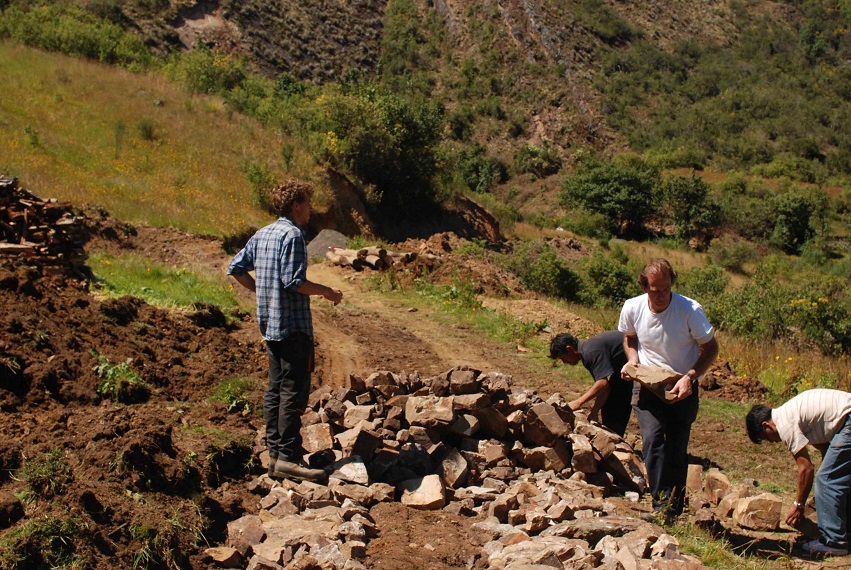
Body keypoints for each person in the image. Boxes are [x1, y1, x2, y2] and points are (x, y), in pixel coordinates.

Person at [228, 180, 343, 482]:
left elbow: (236, 268)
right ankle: (289, 459)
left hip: (270, 325)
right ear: (296, 205)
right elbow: (294, 281)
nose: (311, 209)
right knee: (293, 392)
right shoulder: (293, 235)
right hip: (293, 327)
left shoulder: (263, 234)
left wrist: (261, 291)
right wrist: (327, 292)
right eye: (308, 203)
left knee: (275, 390)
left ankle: (275, 456)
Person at [618, 258, 718, 518]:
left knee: (676, 446)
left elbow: (710, 348)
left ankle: (674, 507)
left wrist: (691, 377)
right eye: (655, 290)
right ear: (644, 287)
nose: (662, 295)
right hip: (648, 384)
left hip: (682, 384)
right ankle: (660, 503)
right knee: (653, 440)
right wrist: (633, 361)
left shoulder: (689, 310)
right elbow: (629, 337)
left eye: (666, 289)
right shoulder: (632, 307)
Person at [746, 389, 851, 558]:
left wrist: (799, 505)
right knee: (839, 480)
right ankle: (845, 532)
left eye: (766, 438)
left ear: (766, 425)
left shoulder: (784, 424)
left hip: (848, 421)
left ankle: (834, 541)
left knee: (825, 481)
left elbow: (806, 468)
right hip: (846, 419)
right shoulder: (795, 414)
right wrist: (824, 500)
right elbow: (827, 451)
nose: (772, 442)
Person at [549, 331, 632, 437]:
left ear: (569, 349)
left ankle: (616, 440)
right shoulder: (587, 350)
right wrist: (594, 412)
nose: (565, 362)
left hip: (642, 363)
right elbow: (604, 388)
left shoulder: (590, 352)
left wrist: (578, 402)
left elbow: (602, 383)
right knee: (610, 407)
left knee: (615, 408)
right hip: (624, 371)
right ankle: (614, 439)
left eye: (563, 358)